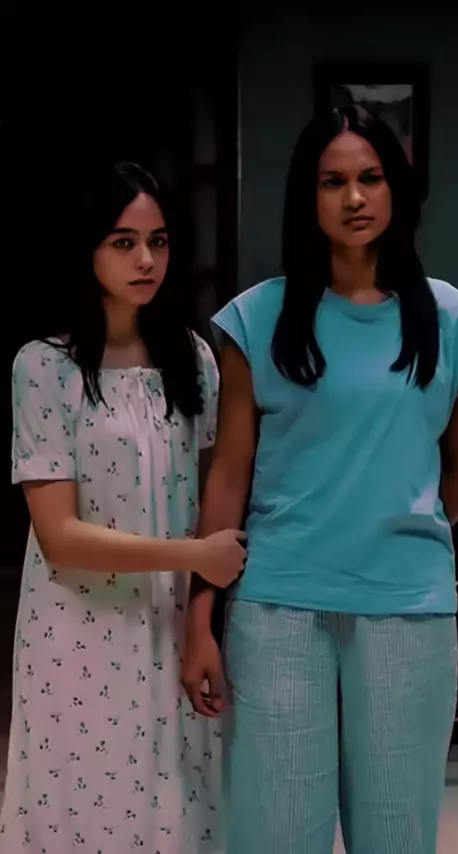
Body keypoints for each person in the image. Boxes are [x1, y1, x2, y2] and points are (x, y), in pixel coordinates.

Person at [182, 107, 458, 854]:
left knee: (396, 835)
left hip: (408, 611)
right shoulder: (257, 319)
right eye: (332, 182)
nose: (354, 198)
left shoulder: (456, 321)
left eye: (370, 178)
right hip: (278, 610)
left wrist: (395, 522)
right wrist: (199, 619)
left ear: (396, 189)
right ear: (306, 197)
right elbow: (229, 475)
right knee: (276, 834)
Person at [1, 162, 245, 853]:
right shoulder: (44, 366)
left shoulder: (193, 359)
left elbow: (214, 495)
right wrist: (195, 555)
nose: (146, 260)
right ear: (88, 248)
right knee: (83, 815)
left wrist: (202, 619)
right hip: (76, 637)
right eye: (123, 242)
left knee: (180, 812)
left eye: (158, 242)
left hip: (171, 627)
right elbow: (60, 537)